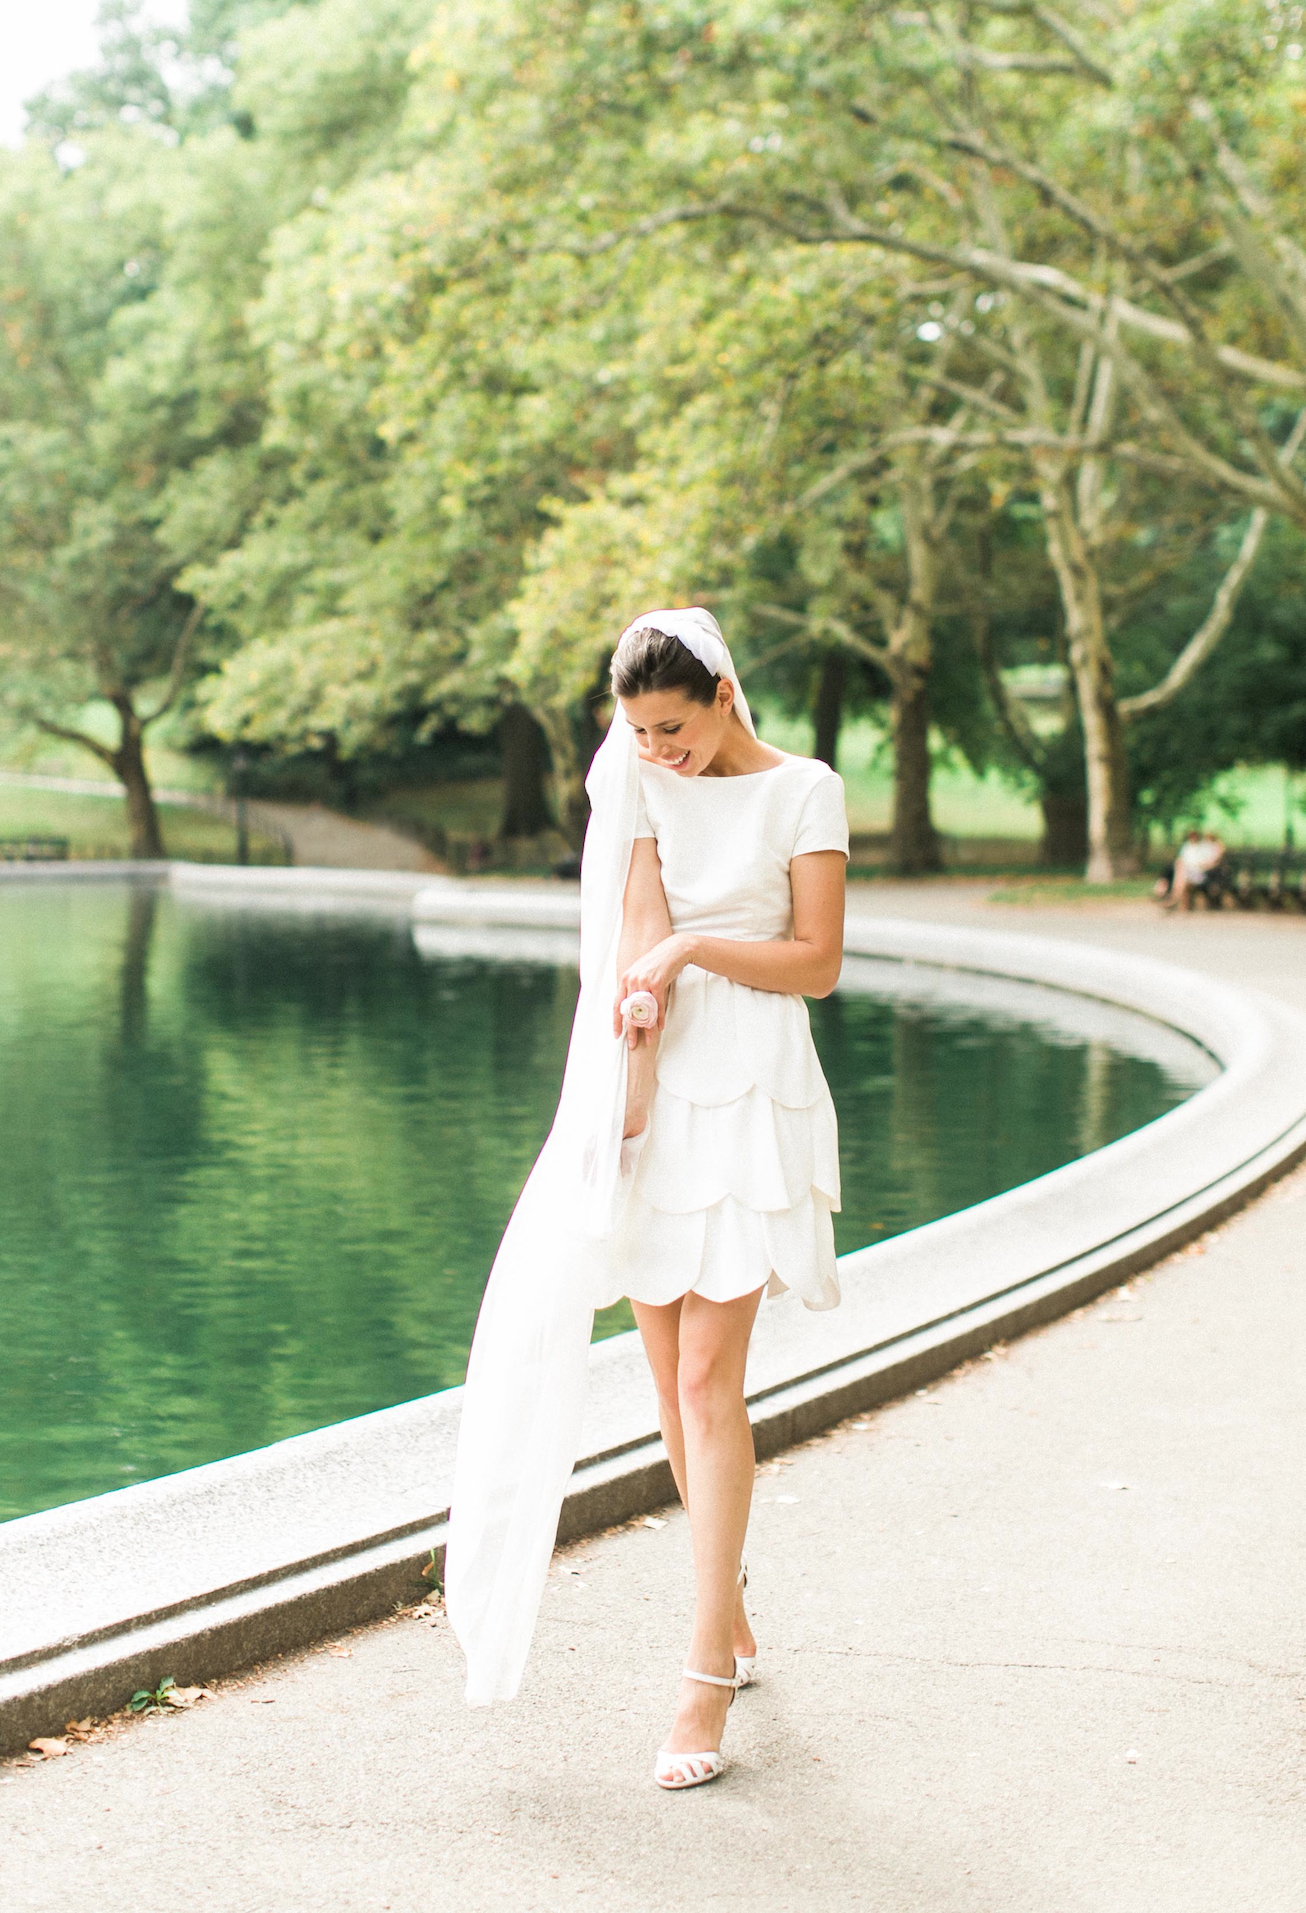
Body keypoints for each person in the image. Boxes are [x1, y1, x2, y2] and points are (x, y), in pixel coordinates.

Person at [445, 608, 848, 1791]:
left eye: (672, 728)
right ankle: (728, 1605)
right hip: (659, 1088)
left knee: (709, 1380)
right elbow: (632, 925)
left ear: (724, 694)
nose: (655, 752)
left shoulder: (805, 789)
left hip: (752, 1093)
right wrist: (631, 1041)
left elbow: (816, 963)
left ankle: (703, 1673)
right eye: (636, 732)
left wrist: (686, 958)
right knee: (667, 1385)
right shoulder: (632, 772)